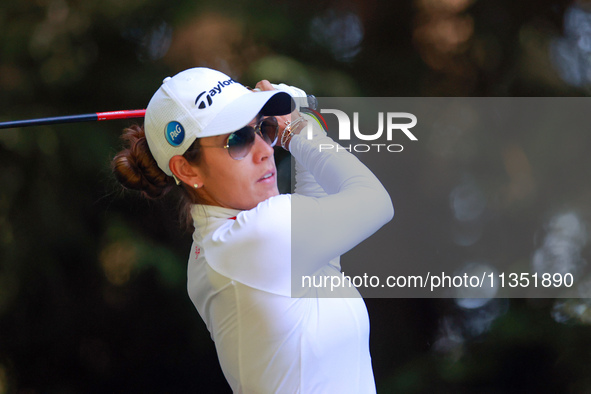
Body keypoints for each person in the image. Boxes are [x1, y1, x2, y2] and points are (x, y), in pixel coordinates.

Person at [112, 67, 393, 393]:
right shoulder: (258, 236)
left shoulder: (221, 244)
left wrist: (302, 125)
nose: (265, 150)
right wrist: (298, 130)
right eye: (238, 139)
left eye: (263, 128)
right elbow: (375, 202)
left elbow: (324, 248)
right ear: (186, 169)